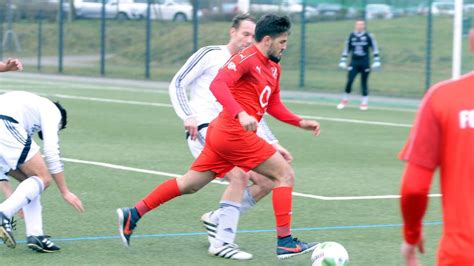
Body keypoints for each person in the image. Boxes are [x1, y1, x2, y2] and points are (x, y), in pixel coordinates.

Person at [117, 14, 321, 260]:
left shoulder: (273, 67)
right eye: (282, 42)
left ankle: (133, 214)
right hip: (232, 133)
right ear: (267, 40)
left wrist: (299, 122)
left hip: (223, 134)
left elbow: (273, 104)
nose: (285, 47)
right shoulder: (245, 58)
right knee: (284, 175)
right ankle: (285, 242)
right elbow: (218, 85)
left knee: (190, 184)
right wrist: (241, 113)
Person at [169, 13, 293, 260]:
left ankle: (217, 220)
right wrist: (188, 115)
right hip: (206, 129)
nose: (249, 39)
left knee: (267, 181)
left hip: (238, 134)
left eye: (252, 35)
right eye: (245, 34)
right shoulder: (211, 55)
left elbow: (257, 110)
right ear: (232, 32)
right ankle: (223, 241)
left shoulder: (256, 63)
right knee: (239, 175)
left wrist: (273, 142)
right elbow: (178, 83)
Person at [399, 28, 474, 266]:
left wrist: (411, 235)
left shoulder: (444, 98)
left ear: (472, 42)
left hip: (462, 255)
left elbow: (414, 188)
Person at [0, 91, 84, 253]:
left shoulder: (28, 111)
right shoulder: (52, 111)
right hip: (4, 123)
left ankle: (36, 235)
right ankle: (3, 213)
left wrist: (13, 199)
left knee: (33, 181)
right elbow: (52, 153)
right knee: (43, 178)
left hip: (4, 123)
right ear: (60, 122)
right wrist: (65, 191)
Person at [337, 20, 380, 110]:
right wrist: (343, 60)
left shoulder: (368, 36)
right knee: (350, 80)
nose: (359, 26)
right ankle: (344, 100)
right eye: (358, 24)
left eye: (361, 25)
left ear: (364, 26)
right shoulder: (351, 36)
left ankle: (364, 102)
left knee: (364, 82)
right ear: (355, 26)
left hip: (365, 63)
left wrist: (376, 60)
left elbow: (374, 48)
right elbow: (347, 49)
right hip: (354, 62)